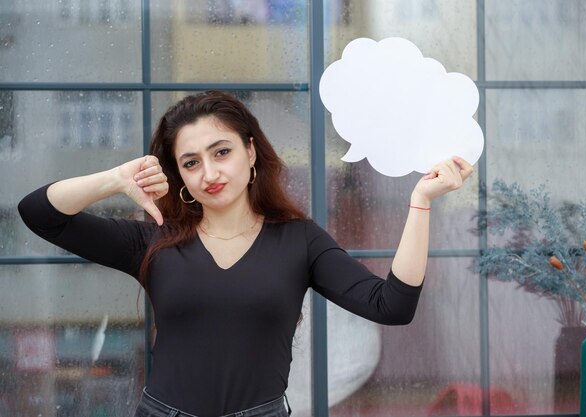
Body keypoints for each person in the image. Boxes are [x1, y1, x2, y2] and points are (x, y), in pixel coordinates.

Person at [18, 90, 473, 417]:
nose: (210, 172)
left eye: (222, 152)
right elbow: (39, 213)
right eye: (191, 162)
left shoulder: (299, 239)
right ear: (178, 173)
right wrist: (115, 180)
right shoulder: (155, 238)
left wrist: (421, 202)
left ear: (251, 152)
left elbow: (391, 305)